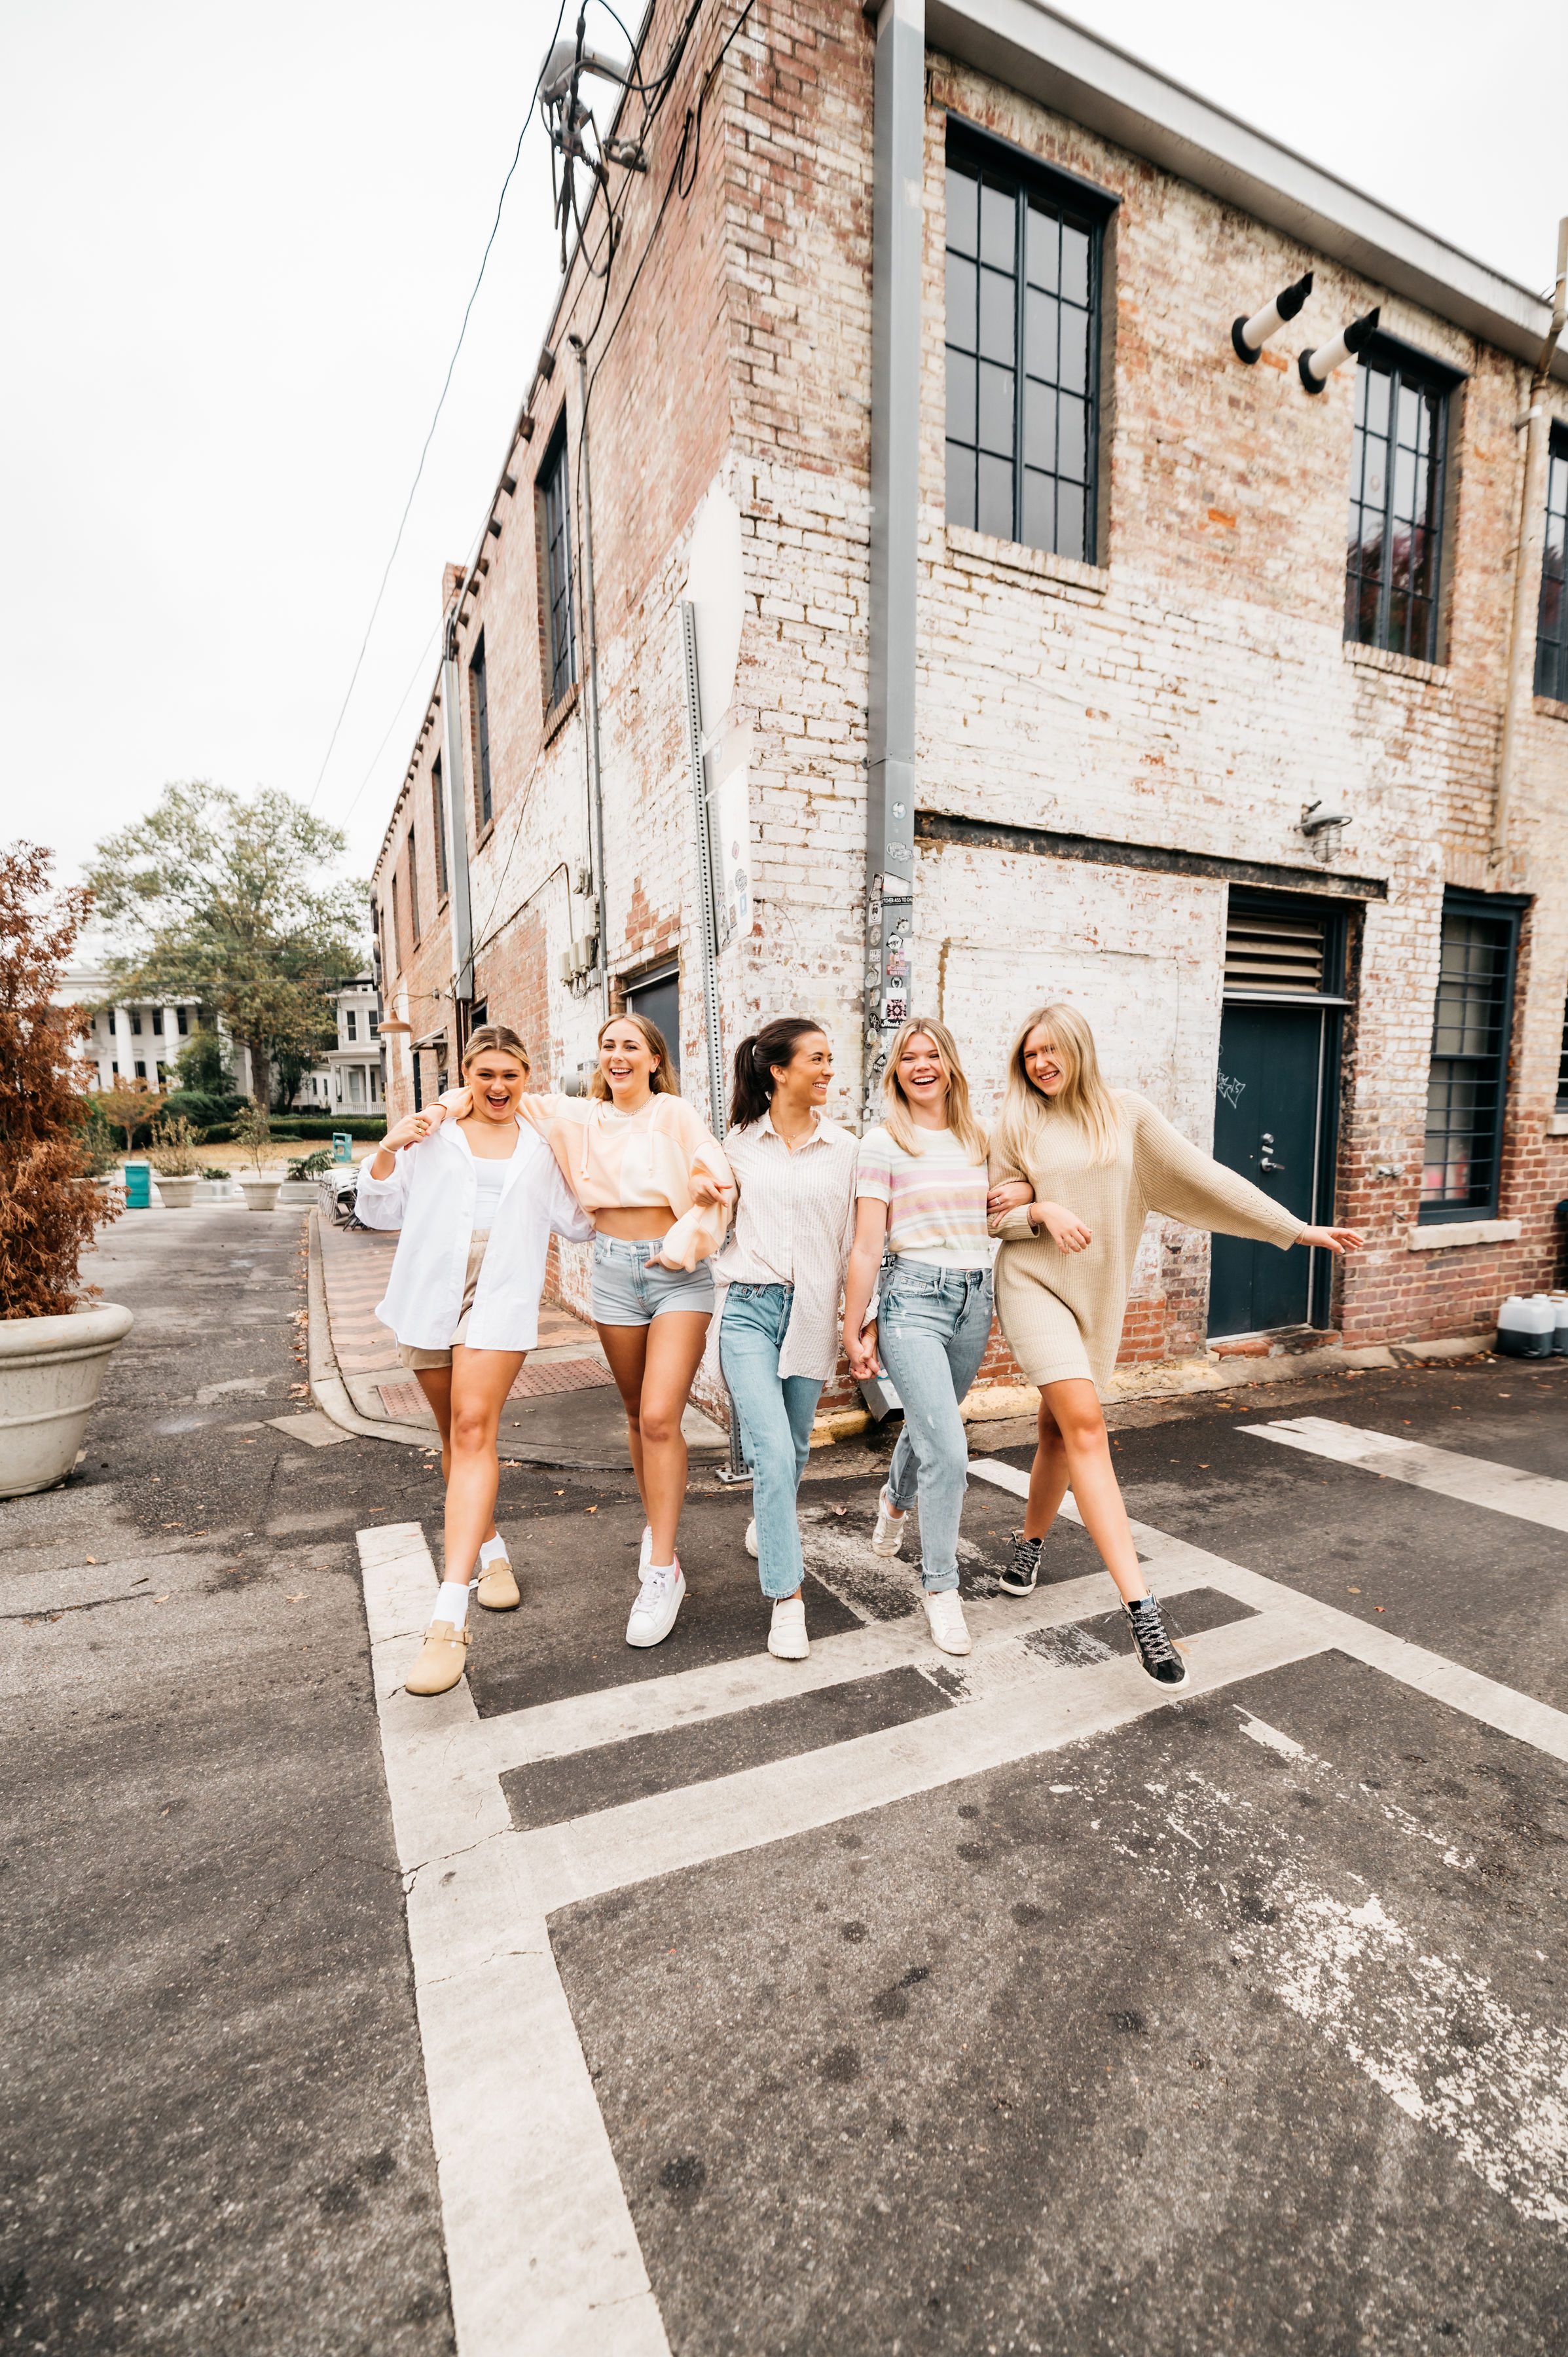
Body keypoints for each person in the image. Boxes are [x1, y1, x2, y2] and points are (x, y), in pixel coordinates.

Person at [985, 1002, 1364, 1688]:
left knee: (1053, 1432)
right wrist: (1038, 1209)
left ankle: (1029, 1546)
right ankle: (1143, 1612)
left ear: (1078, 1050)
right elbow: (993, 1214)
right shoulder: (1015, 1121)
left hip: (1097, 1297)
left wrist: (1294, 1229)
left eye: (1051, 1051)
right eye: (1029, 1053)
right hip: (1033, 1285)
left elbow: (1201, 1176)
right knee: (1086, 1427)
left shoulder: (1125, 1114)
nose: (1040, 1063)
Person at [439, 1011, 733, 1648]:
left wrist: (707, 1192)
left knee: (660, 1416)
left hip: (676, 1272)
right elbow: (491, 1089)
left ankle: (662, 1568)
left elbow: (717, 1171)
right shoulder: (577, 1117)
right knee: (633, 1415)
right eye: (608, 1046)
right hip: (611, 1273)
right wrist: (438, 1110)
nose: (617, 1055)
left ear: (655, 1059)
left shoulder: (675, 1116)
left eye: (631, 1045)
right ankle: (657, 1532)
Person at [355, 1024, 594, 1696]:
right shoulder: (435, 1136)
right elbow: (377, 1211)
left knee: (471, 1430)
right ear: (466, 1075)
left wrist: (590, 1159)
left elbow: (578, 1223)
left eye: (510, 1075)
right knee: (451, 1438)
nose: (497, 1087)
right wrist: (386, 1149)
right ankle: (491, 1553)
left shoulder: (543, 1143)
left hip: (501, 1299)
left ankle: (447, 1616)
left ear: (527, 1077)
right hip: (429, 1293)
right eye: (485, 1074)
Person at [841, 1017, 996, 1659]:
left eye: (933, 1053)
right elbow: (868, 1243)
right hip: (912, 1302)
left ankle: (894, 1500)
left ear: (950, 1065)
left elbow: (1000, 1214)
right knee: (951, 1455)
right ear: (896, 1071)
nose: (922, 1064)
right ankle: (940, 1589)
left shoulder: (979, 1138)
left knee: (932, 1430)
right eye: (909, 1057)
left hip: (974, 1300)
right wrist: (854, 1325)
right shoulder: (882, 1143)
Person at [717, 1018, 858, 1660]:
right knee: (771, 1453)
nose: (829, 1070)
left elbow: (858, 1243)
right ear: (779, 1071)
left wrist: (859, 1319)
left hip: (811, 1315)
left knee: (795, 1450)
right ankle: (787, 1598)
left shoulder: (847, 1150)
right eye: (817, 1059)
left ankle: (766, 1522)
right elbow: (711, 1224)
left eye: (831, 1059)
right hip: (748, 1310)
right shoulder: (737, 1145)